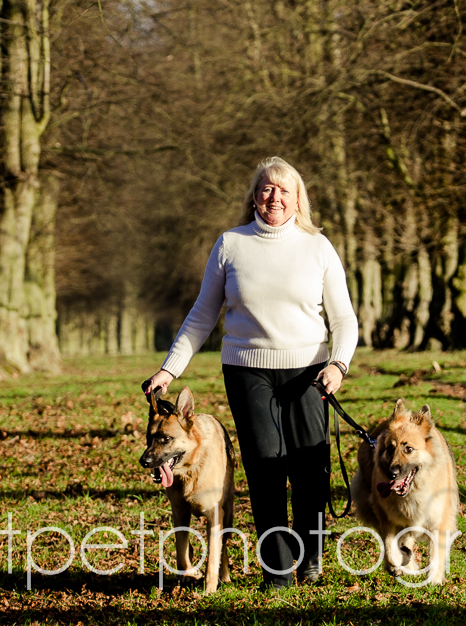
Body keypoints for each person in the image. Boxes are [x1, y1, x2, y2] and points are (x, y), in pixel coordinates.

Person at [142, 156, 358, 590]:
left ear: (298, 199)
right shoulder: (231, 244)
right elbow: (202, 314)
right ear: (254, 197)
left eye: (284, 189)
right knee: (264, 469)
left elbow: (344, 319)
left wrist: (338, 364)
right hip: (246, 371)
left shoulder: (318, 247)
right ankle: (276, 571)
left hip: (309, 372)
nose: (274, 197)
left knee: (309, 468)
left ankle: (310, 557)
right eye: (266, 188)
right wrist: (169, 369)